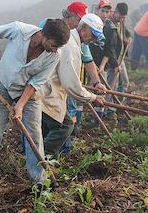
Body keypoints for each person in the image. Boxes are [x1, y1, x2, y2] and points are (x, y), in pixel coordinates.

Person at [0, 19, 70, 183]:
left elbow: (36, 82)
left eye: (58, 47)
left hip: (28, 94)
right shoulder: (19, 30)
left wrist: (20, 105)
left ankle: (38, 179)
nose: (55, 50)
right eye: (53, 45)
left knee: (34, 134)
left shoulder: (54, 55)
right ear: (43, 34)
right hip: (1, 84)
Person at [40, 14, 106, 155]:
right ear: (83, 28)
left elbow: (84, 68)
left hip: (49, 90)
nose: (93, 39)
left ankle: (39, 159)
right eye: (93, 34)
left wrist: (96, 83)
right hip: (48, 92)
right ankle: (41, 157)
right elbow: (71, 85)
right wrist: (93, 98)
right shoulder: (71, 47)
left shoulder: (75, 42)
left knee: (44, 129)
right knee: (65, 126)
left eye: (96, 36)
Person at [107, 2, 131, 94]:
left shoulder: (121, 20)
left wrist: (128, 37)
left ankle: (119, 105)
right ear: (115, 12)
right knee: (112, 84)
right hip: (112, 60)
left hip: (121, 58)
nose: (122, 19)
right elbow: (110, 48)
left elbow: (126, 32)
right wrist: (115, 65)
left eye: (124, 17)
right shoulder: (109, 24)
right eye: (120, 17)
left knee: (125, 83)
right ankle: (109, 106)